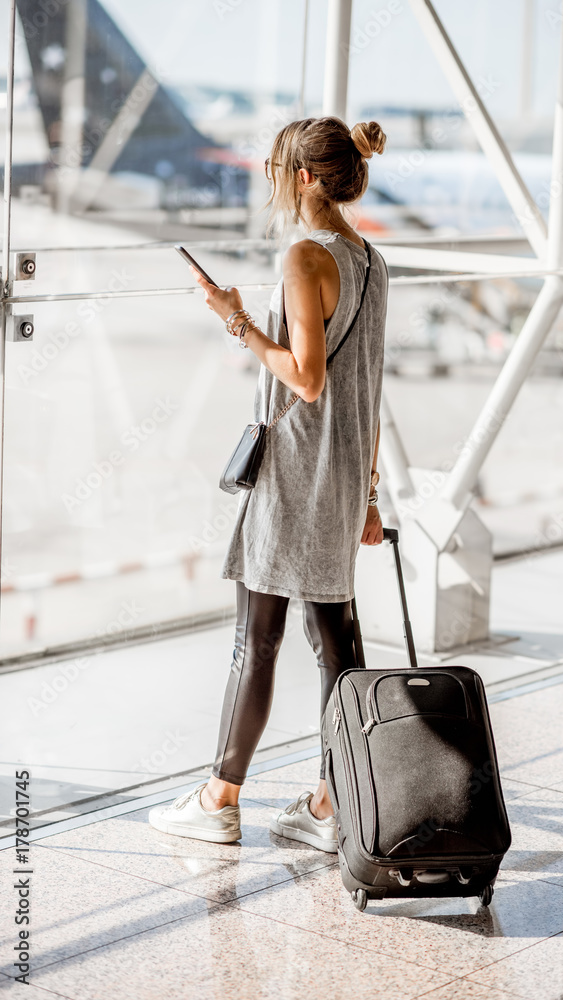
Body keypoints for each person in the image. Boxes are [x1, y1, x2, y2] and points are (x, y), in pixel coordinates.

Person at [149, 116, 388, 852]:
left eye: (277, 169)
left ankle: (220, 799)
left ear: (306, 178)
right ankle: (330, 804)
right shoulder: (370, 259)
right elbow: (367, 386)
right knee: (337, 645)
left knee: (257, 640)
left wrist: (237, 322)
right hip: (343, 473)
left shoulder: (305, 256)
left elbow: (308, 380)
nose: (272, 181)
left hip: (293, 477)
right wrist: (370, 497)